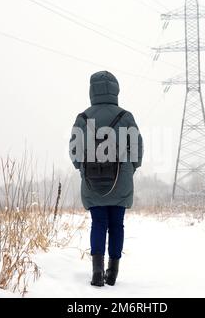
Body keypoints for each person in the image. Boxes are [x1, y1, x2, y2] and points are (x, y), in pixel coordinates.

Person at [69, 71, 143, 287]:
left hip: (92, 181)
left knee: (98, 223)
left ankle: (97, 272)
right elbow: (138, 148)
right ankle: (113, 273)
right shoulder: (126, 116)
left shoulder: (82, 118)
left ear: (92, 90)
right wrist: (130, 169)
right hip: (122, 179)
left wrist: (83, 168)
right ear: (115, 89)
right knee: (117, 225)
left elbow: (74, 151)